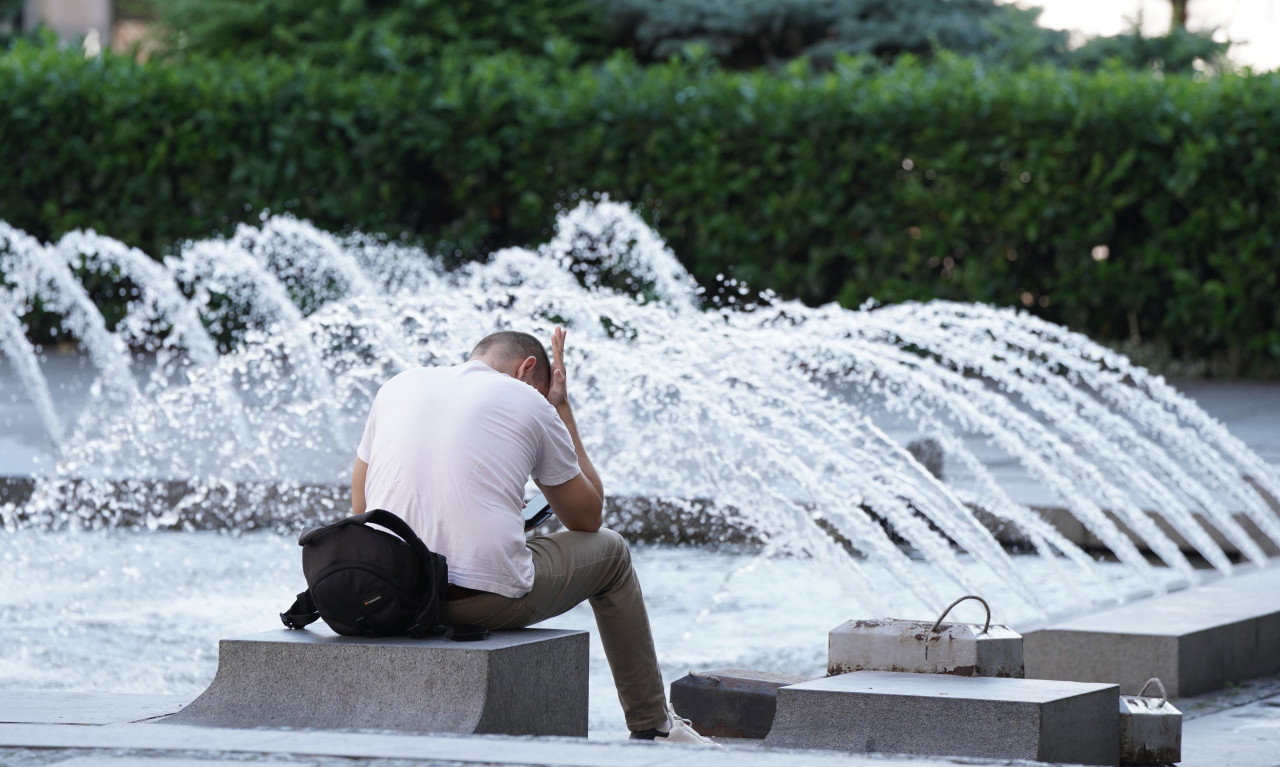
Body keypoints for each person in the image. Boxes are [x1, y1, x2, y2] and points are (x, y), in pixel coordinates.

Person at [351, 328, 716, 745]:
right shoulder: (530, 401)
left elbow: (362, 506)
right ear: (527, 369)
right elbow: (588, 518)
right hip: (471, 601)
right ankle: (654, 725)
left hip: (388, 595)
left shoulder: (398, 386)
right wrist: (560, 407)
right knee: (612, 552)